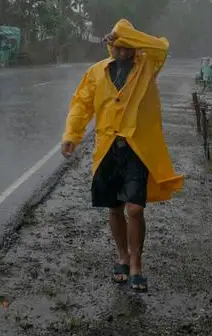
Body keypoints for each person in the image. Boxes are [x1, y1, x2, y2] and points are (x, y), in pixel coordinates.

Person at [61, 18, 184, 293]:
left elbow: (161, 46)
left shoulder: (148, 65)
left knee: (135, 208)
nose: (123, 51)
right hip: (107, 147)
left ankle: (137, 263)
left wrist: (123, 33)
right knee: (114, 208)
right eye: (118, 45)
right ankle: (122, 257)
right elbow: (81, 104)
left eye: (128, 46)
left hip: (137, 149)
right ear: (111, 46)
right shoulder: (97, 72)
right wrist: (72, 135)